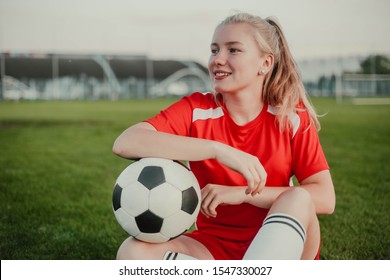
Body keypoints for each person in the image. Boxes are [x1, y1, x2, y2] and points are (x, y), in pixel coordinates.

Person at [112, 12, 335, 260]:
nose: (218, 59)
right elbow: (126, 143)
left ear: (265, 63)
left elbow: (325, 198)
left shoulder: (290, 117)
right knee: (133, 252)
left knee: (299, 197)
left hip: (281, 239)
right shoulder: (197, 109)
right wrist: (218, 150)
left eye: (233, 50)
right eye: (214, 50)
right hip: (213, 245)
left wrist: (243, 195)